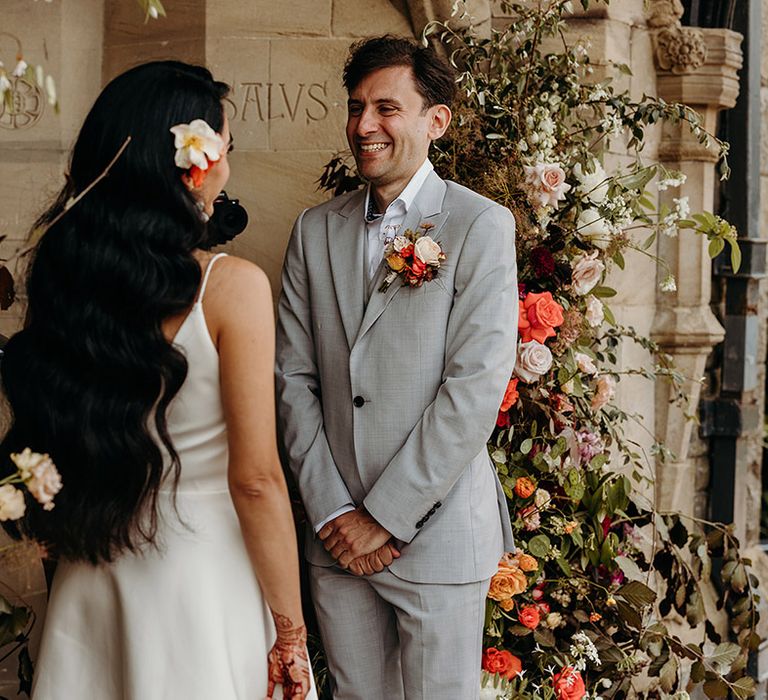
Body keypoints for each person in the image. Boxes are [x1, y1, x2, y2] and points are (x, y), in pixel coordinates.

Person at [0, 60, 314, 700]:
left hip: (95, 577)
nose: (230, 159)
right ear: (195, 161)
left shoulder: (69, 281)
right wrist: (290, 630)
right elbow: (255, 480)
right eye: (226, 142)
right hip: (202, 587)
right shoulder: (231, 288)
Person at [275, 36, 518, 700]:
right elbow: (292, 379)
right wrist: (333, 513)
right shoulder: (313, 229)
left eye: (386, 107)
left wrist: (381, 518)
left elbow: (473, 390)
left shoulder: (479, 226)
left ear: (434, 120)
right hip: (336, 542)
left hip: (435, 537)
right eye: (356, 107)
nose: (363, 126)